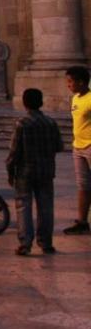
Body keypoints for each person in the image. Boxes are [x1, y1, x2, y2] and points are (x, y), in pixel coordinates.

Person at [8, 88, 64, 255]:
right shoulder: (50, 122)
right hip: (46, 170)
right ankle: (46, 242)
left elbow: (14, 151)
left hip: (26, 170)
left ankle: (25, 243)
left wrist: (10, 169)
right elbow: (59, 146)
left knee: (23, 205)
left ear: (25, 103)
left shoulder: (22, 123)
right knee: (46, 206)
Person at [65, 65, 91, 234]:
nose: (68, 84)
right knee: (83, 186)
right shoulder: (75, 98)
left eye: (70, 81)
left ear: (81, 82)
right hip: (78, 147)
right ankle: (82, 221)